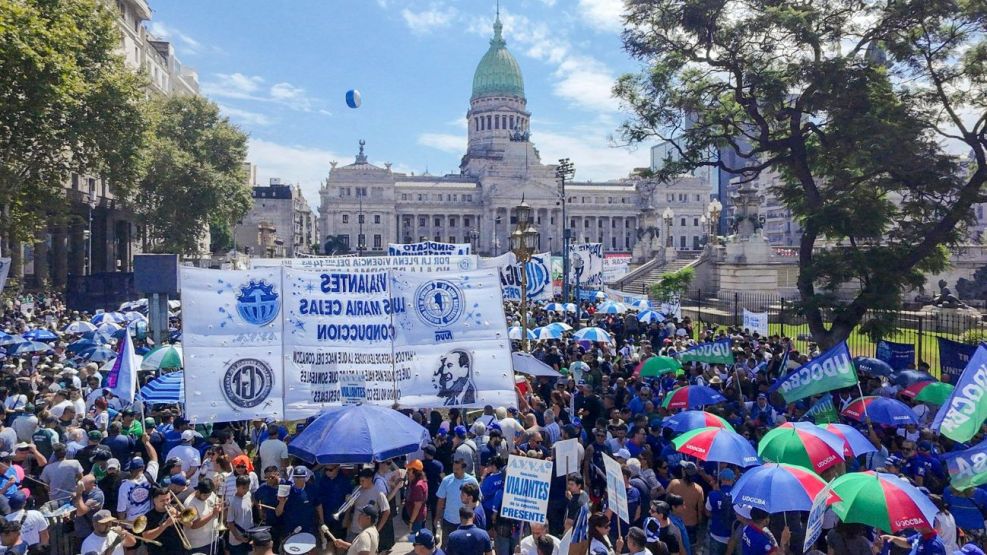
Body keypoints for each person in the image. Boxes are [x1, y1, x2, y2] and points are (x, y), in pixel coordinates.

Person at [435, 454, 480, 548]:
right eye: (454, 469)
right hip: (449, 521)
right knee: (447, 547)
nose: (455, 471)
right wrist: (437, 517)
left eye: (457, 469)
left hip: (466, 523)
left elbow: (478, 500)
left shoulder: (472, 481)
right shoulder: (447, 480)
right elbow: (441, 500)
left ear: (464, 469)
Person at [182, 477, 221, 554]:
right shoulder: (189, 504)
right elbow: (192, 525)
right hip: (198, 545)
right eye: (205, 495)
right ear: (199, 491)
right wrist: (212, 514)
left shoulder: (209, 493)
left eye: (209, 495)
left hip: (212, 539)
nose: (207, 497)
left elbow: (217, 501)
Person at [705, 468, 735, 555]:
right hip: (733, 536)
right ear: (732, 480)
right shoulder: (738, 495)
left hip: (717, 534)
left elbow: (707, 512)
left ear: (721, 480)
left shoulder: (712, 495)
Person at [226, 475, 254, 555]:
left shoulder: (248, 495)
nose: (246, 490)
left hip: (249, 535)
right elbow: (230, 522)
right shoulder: (232, 502)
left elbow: (249, 505)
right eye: (243, 488)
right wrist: (238, 537)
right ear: (237, 487)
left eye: (247, 487)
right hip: (237, 540)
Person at [879, 525, 947, 555]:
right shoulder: (920, 536)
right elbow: (907, 543)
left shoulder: (934, 545)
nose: (914, 524)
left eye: (917, 522)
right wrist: (892, 538)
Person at [404, 459, 429, 535]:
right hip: (418, 517)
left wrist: (411, 522)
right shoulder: (417, 481)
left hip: (417, 519)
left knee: (416, 541)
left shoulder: (418, 486)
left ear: (415, 471)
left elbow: (417, 506)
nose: (407, 471)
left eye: (409, 470)